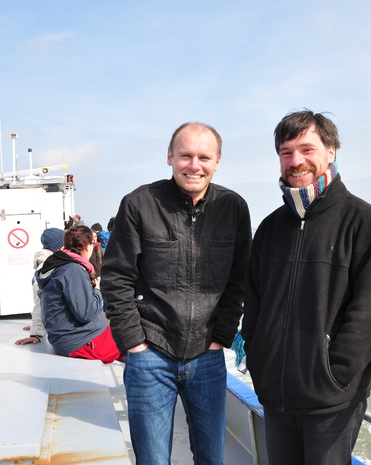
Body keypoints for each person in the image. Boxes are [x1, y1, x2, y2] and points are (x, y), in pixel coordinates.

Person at [241, 110, 371, 465]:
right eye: (286, 152)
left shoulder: (362, 220)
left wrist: (333, 373)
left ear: (331, 152)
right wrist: (259, 360)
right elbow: (253, 302)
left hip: (331, 400)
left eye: (307, 149)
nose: (296, 161)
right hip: (275, 395)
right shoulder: (269, 228)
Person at [101, 122, 252, 465]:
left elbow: (239, 280)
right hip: (150, 356)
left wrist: (220, 338)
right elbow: (116, 278)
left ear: (217, 161)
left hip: (208, 357)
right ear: (170, 157)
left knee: (211, 458)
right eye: (185, 155)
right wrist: (134, 345)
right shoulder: (139, 204)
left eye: (203, 157)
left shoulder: (233, 207)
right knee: (153, 460)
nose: (194, 165)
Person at [36, 225, 123, 364]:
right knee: (133, 337)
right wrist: (97, 290)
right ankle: (140, 382)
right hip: (76, 341)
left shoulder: (58, 265)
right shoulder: (73, 269)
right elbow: (86, 314)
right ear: (88, 246)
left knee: (122, 326)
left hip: (62, 337)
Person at [16, 228, 65, 345]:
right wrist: (36, 332)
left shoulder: (47, 263)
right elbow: (40, 301)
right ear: (58, 246)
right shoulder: (47, 266)